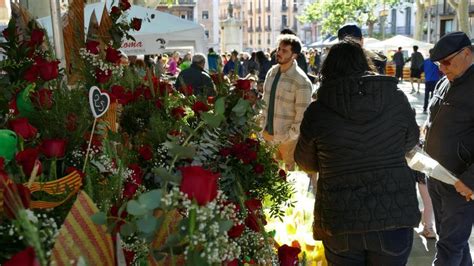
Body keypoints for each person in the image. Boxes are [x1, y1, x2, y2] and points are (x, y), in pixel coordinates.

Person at [294, 40, 420, 265]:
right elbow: (409, 142)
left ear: (327, 69)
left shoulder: (318, 110)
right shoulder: (396, 99)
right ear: (365, 63)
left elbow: (305, 162)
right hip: (393, 214)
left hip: (341, 218)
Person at [424, 31, 474, 266]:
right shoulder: (445, 82)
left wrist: (470, 180)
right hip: (436, 177)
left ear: (466, 53)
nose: (442, 68)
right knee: (454, 243)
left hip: (460, 183)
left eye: (446, 62)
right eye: (438, 63)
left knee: (448, 248)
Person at [261, 34, 312, 170]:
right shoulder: (271, 72)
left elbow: (302, 115)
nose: (278, 53)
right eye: (279, 49)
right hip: (267, 135)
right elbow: (264, 102)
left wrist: (289, 136)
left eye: (284, 51)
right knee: (268, 179)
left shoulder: (301, 81)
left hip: (287, 141)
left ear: (294, 55)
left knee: (289, 182)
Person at [422, 49, 440, 114]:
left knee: (426, 95)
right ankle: (432, 108)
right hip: (435, 80)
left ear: (429, 53)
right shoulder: (437, 62)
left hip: (427, 80)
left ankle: (425, 108)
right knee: (433, 95)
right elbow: (440, 71)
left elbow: (421, 69)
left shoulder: (425, 61)